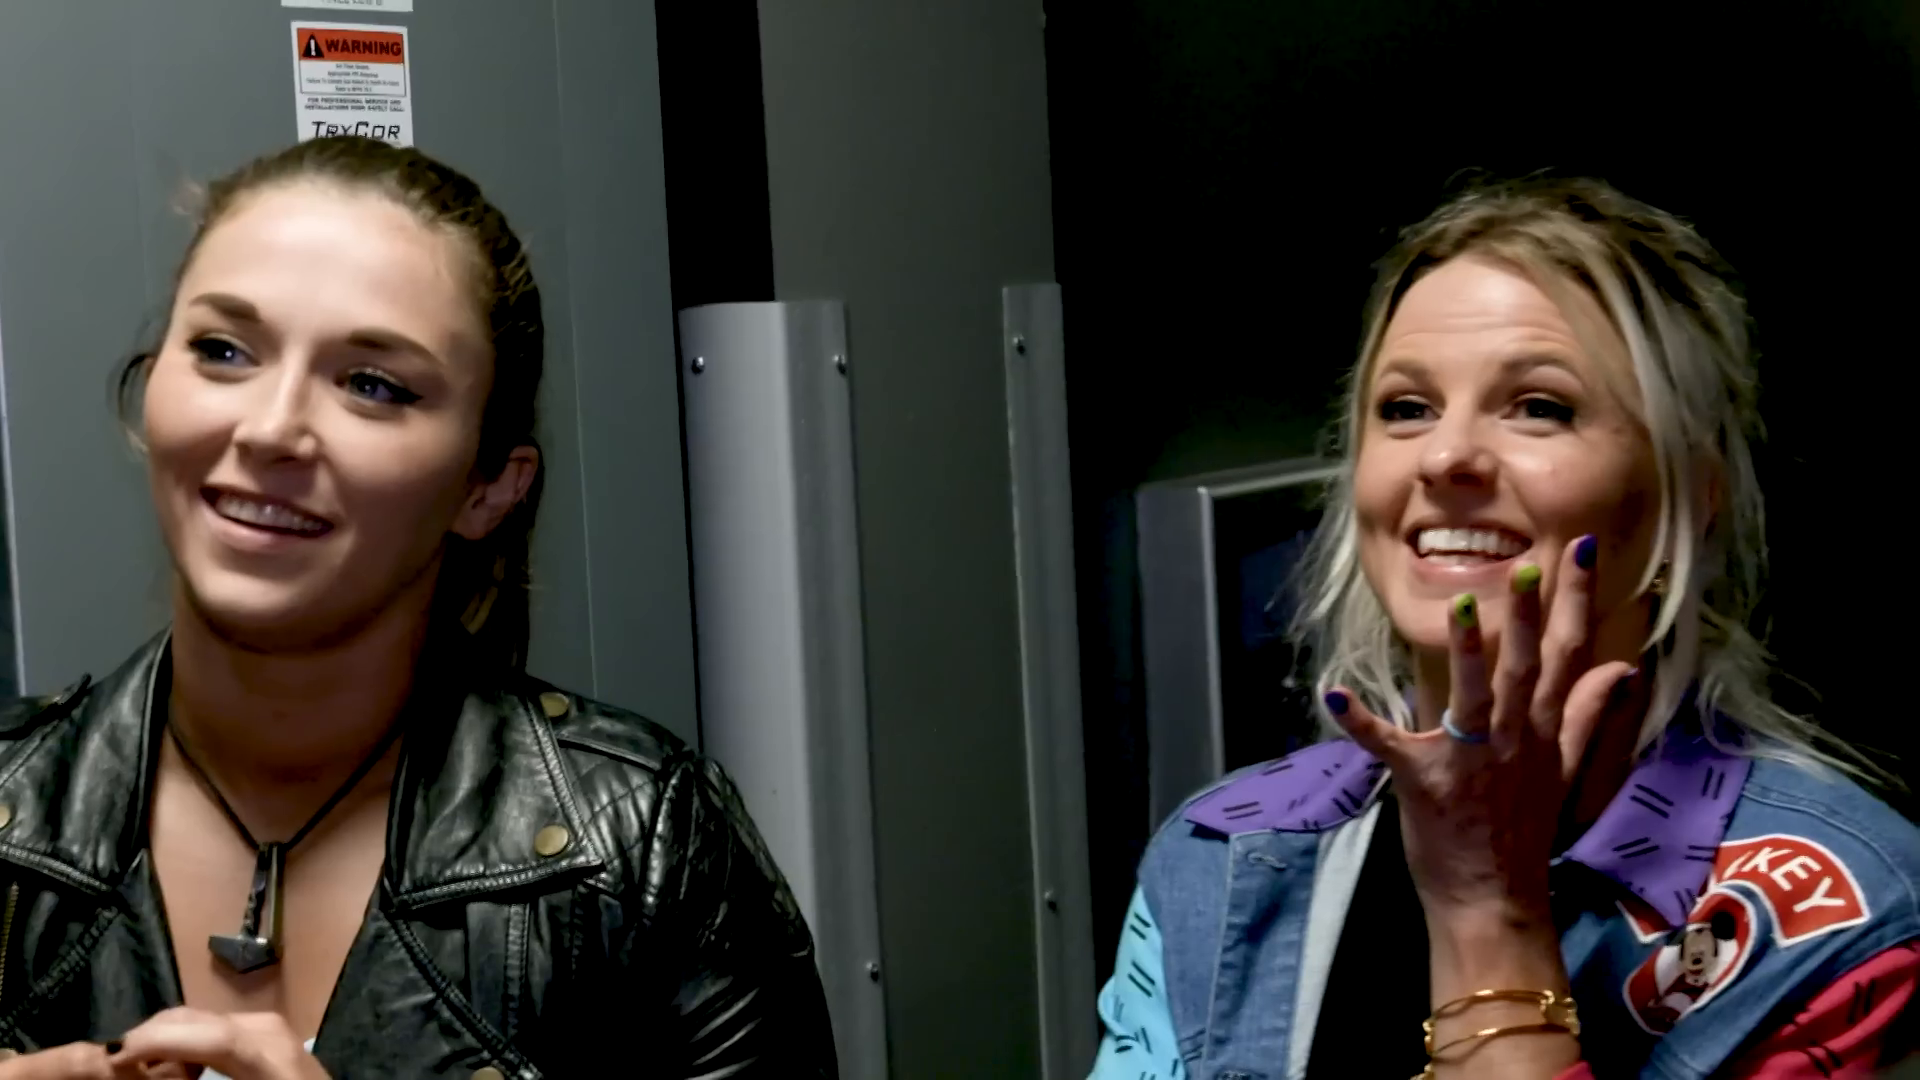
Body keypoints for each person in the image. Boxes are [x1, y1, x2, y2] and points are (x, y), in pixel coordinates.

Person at [0, 136, 836, 1078]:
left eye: (373, 386)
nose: (270, 429)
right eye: (223, 350)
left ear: (488, 487)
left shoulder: (642, 850)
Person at [1089, 177, 1920, 1079]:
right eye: (1406, 409)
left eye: (1539, 407)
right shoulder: (1219, 858)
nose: (1446, 456)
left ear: (1691, 496)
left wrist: (1485, 906)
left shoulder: (1848, 924)